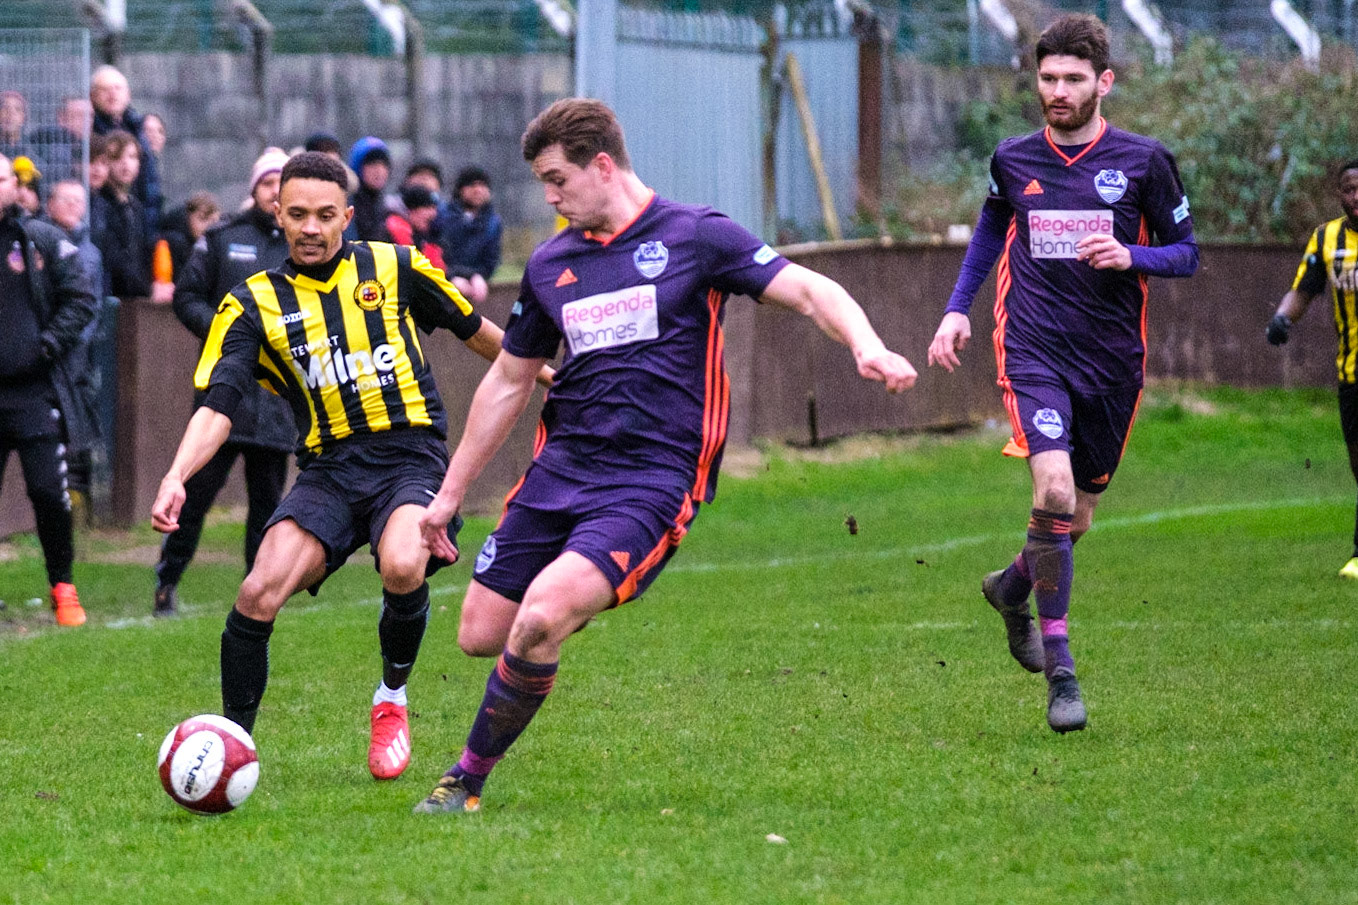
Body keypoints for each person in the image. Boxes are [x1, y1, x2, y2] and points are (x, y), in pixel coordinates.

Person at [411, 98, 916, 814]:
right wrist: (451, 493)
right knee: (480, 632)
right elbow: (509, 379)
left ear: (604, 165)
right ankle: (566, 602)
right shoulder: (554, 262)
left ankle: (464, 779)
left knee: (537, 617)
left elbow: (807, 287)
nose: (549, 197)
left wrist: (866, 344)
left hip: (652, 480)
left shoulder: (696, 236)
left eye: (557, 180)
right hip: (561, 471)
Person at [150, 152, 552, 781]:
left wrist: (542, 371)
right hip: (329, 469)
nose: (311, 227)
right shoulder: (252, 302)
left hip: (409, 454)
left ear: (347, 216)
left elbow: (473, 328)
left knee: (399, 563)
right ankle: (233, 747)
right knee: (257, 590)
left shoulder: (391, 266)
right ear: (277, 213)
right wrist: (177, 474)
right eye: (298, 214)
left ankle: (391, 699)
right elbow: (219, 404)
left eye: (325, 215)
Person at [927, 14, 1198, 733]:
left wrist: (1130, 255)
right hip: (1033, 350)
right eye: (1048, 78)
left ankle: (1013, 585)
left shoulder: (1144, 161)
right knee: (1051, 490)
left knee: (1074, 519)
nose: (1057, 90)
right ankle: (1063, 672)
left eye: (1073, 79)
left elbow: (1187, 251)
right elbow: (992, 225)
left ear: (1103, 82)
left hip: (1112, 365)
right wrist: (957, 310)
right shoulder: (1013, 159)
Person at [153, 150, 293, 618]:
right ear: (254, 188)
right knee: (193, 495)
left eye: (282, 181)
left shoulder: (306, 243)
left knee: (267, 506)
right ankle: (166, 583)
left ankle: (255, 597)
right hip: (222, 392)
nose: (274, 190)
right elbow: (186, 296)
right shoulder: (221, 238)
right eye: (267, 181)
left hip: (277, 400)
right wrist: (225, 332)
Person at [0, 154, 99, 627]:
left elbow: (81, 300)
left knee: (48, 492)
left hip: (35, 394)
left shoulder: (40, 239)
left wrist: (46, 346)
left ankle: (62, 586)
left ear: (16, 186)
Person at [1266, 159, 1358, 579]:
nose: (1355, 197)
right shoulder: (1327, 238)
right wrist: (1283, 319)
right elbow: (1303, 289)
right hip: (1352, 374)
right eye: (1348, 189)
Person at [90, 64, 162, 235]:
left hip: (138, 217)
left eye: (117, 88)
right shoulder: (89, 131)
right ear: (92, 96)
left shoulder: (139, 129)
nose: (113, 94)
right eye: (105, 89)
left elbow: (149, 182)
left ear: (128, 95)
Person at [90, 131, 151, 299]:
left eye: (132, 157)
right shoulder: (100, 204)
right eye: (116, 157)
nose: (126, 164)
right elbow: (114, 258)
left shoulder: (135, 205)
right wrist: (147, 289)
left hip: (132, 295)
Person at [441, 165, 502, 282]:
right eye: (472, 185)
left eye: (482, 185)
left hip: (477, 284)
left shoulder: (493, 223)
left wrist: (478, 277)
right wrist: (451, 276)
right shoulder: (443, 217)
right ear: (460, 190)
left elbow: (491, 261)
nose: (478, 190)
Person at [385, 184, 447, 272]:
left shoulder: (429, 236)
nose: (433, 214)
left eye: (434, 208)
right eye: (427, 208)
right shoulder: (388, 232)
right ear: (412, 209)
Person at [29, 96, 92, 182]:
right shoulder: (53, 146)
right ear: (62, 118)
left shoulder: (88, 146)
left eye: (90, 115)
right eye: (80, 115)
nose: (87, 121)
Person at [347, 136, 393, 242]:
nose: (379, 171)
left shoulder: (387, 207)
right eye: (372, 164)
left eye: (384, 165)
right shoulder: (347, 204)